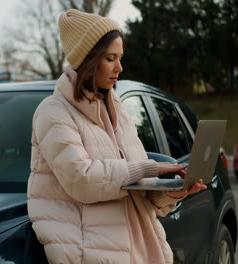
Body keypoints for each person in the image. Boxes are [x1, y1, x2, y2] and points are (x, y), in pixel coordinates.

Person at [27, 9, 207, 264]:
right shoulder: (53, 112)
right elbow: (82, 180)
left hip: (145, 251)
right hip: (93, 253)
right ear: (88, 59)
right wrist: (150, 167)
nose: (120, 67)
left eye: (120, 58)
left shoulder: (118, 109)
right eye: (110, 58)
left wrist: (175, 191)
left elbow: (138, 191)